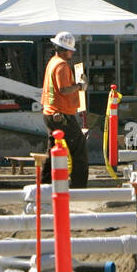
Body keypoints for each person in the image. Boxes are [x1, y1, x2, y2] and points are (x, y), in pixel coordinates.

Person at [39, 31, 89, 189]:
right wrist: (81, 86)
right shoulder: (61, 65)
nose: (72, 52)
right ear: (64, 49)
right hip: (61, 114)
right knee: (78, 148)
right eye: (71, 50)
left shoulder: (52, 62)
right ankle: (79, 187)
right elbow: (64, 89)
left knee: (52, 149)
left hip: (50, 113)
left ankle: (44, 185)